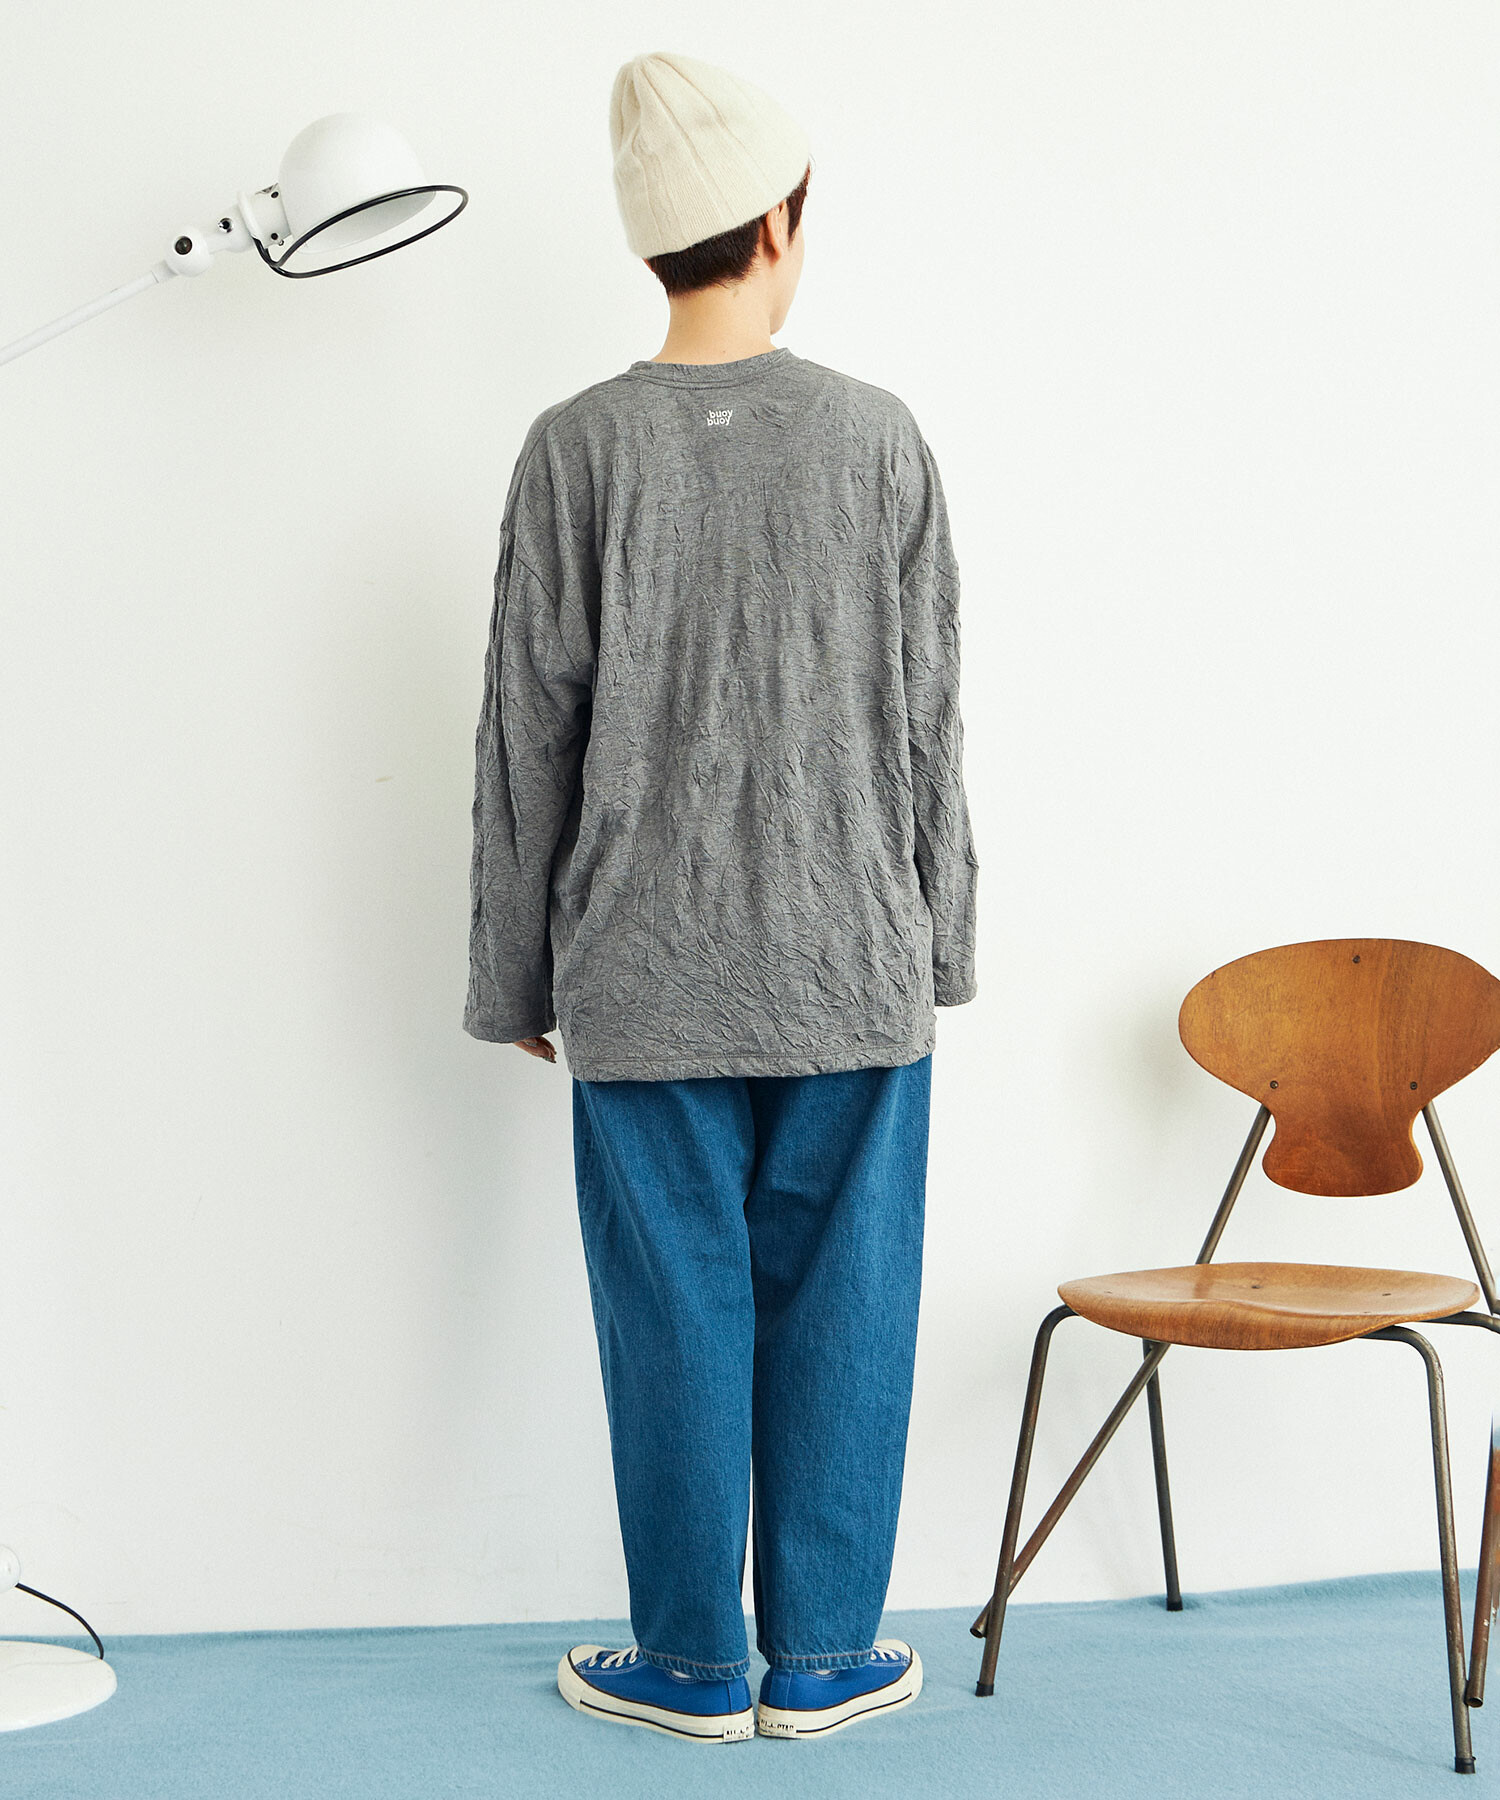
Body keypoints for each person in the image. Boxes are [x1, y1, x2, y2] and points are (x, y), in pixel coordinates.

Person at [464, 48, 979, 1744]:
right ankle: (823, 1657)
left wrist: (513, 974)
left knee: (673, 1307)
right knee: (846, 1302)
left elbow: (526, 733)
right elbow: (927, 714)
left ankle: (690, 1664)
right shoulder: (880, 440)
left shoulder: (573, 450)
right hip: (852, 958)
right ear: (778, 222)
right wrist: (940, 941)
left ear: (649, 242)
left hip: (639, 968)